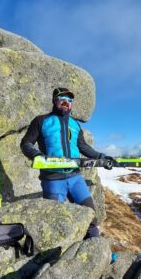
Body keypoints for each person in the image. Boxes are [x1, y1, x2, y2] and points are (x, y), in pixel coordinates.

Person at [20, 87, 112, 238]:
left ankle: (92, 254)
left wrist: (101, 157)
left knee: (91, 218)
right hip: (52, 179)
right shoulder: (41, 121)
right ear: (54, 101)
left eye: (69, 100)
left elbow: (82, 146)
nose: (66, 102)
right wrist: (37, 156)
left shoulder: (75, 124)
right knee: (55, 224)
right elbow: (26, 144)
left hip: (76, 178)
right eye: (62, 99)